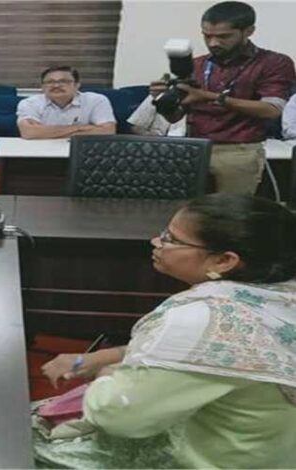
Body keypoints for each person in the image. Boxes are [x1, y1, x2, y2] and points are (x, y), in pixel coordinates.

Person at [34, 193, 296, 468]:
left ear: (223, 260)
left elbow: (120, 416)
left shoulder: (203, 317)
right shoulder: (276, 296)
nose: (156, 242)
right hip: (271, 455)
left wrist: (106, 375)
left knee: (22, 441)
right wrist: (101, 357)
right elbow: (211, 354)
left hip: (214, 461)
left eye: (171, 239)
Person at [149, 1, 295, 194]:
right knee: (188, 209)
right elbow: (175, 117)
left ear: (249, 31)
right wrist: (163, 100)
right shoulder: (196, 65)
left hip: (239, 149)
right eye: (207, 36)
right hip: (194, 147)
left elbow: (271, 110)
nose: (213, 43)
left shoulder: (273, 62)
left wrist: (209, 97)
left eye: (224, 36)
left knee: (230, 209)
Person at [17, 66, 117, 139]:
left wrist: (45, 132)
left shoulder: (96, 100)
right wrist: (81, 128)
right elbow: (29, 132)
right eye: (50, 82)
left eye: (63, 81)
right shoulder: (30, 103)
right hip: (41, 151)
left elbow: (108, 131)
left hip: (82, 151)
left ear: (77, 85)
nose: (56, 86)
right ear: (42, 87)